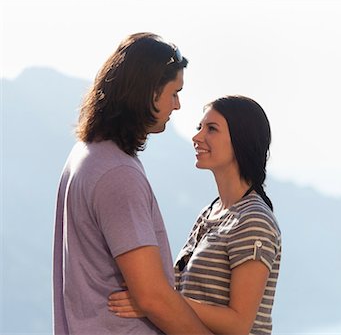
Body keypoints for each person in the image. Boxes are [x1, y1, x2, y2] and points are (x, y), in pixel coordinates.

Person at [53, 32, 212, 335]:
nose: (177, 105)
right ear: (149, 93)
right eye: (174, 93)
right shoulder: (116, 174)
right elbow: (152, 297)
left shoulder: (88, 154)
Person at [108, 95, 282, 335]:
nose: (197, 137)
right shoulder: (210, 213)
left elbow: (239, 324)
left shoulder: (253, 220)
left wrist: (158, 301)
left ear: (242, 139)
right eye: (200, 127)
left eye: (212, 129)